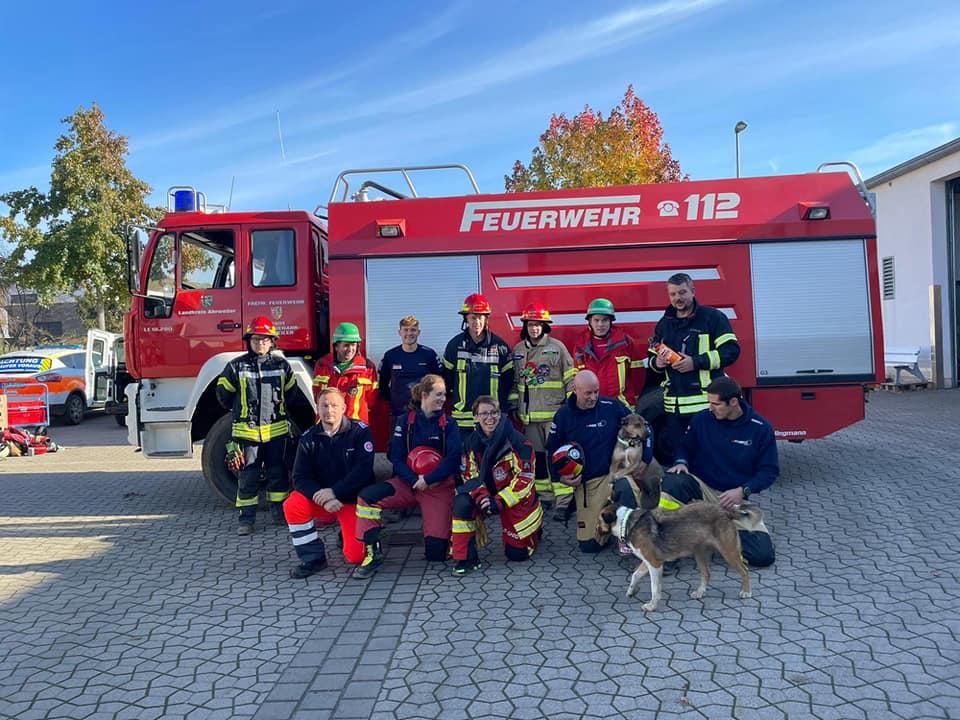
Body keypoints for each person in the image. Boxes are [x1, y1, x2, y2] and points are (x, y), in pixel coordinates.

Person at [353, 374, 461, 578]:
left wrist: (427, 480)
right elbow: (396, 456)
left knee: (436, 554)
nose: (443, 399)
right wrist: (414, 481)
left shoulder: (449, 424)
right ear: (423, 395)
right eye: (438, 394)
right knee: (367, 497)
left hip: (437, 487)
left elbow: (454, 458)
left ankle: (444, 537)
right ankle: (373, 551)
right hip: (409, 483)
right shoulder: (405, 421)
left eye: (444, 395)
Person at [661, 376, 777, 567]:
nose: (710, 408)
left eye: (716, 404)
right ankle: (664, 550)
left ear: (733, 402)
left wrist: (743, 490)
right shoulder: (702, 419)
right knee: (674, 481)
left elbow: (769, 471)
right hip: (702, 490)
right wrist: (681, 461)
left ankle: (710, 535)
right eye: (709, 403)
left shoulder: (760, 429)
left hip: (734, 499)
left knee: (762, 556)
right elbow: (685, 447)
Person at [546, 370, 662, 554]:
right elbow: (551, 450)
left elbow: (645, 426)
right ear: (575, 390)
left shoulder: (611, 406)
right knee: (589, 546)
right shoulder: (563, 416)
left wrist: (645, 459)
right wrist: (561, 478)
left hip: (617, 473)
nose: (593, 397)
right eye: (588, 393)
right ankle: (611, 520)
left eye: (596, 392)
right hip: (590, 483)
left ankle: (639, 543)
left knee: (625, 487)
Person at [216, 316, 298, 536]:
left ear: (272, 342)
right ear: (249, 341)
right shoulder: (235, 367)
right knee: (248, 477)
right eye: (256, 339)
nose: (260, 343)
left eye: (264, 339)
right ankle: (246, 519)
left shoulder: (282, 365)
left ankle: (279, 514)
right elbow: (223, 396)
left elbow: (291, 394)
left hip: (276, 432)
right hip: (247, 434)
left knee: (278, 474)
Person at [283, 388, 375, 578]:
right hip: (323, 500)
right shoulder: (308, 438)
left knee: (356, 557)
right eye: (324, 405)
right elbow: (300, 477)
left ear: (344, 408)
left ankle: (351, 534)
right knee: (293, 504)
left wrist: (335, 492)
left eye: (334, 405)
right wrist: (324, 498)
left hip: (350, 500)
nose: (329, 410)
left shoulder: (360, 432)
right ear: (317, 408)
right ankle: (313, 558)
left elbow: (363, 472)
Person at [649, 273, 740, 463]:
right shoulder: (664, 324)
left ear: (693, 291)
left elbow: (731, 351)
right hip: (674, 408)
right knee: (680, 459)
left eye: (682, 292)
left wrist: (695, 362)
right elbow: (652, 357)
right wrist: (656, 363)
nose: (678, 298)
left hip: (706, 406)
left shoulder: (712, 318)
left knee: (710, 457)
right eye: (673, 294)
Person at [451, 396, 543, 576]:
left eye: (494, 412)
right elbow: (469, 475)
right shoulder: (470, 442)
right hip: (487, 493)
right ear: (476, 417)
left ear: (500, 415)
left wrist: (498, 501)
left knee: (517, 555)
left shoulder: (519, 442)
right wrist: (483, 496)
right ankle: (466, 558)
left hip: (513, 498)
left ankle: (535, 531)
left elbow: (525, 479)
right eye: (484, 413)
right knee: (461, 503)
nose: (489, 418)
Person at [509, 302, 576, 521]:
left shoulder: (557, 347)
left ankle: (564, 502)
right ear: (525, 326)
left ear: (545, 326)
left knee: (558, 459)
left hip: (554, 416)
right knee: (536, 460)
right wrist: (513, 406)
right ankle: (545, 497)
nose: (535, 328)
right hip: (529, 418)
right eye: (531, 324)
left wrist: (570, 406)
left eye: (539, 324)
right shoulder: (518, 350)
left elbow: (570, 377)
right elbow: (513, 383)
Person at [442, 293, 514, 437]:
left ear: (486, 319)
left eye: (480, 317)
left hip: (491, 420)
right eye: (473, 317)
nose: (477, 322)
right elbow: (446, 380)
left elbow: (508, 382)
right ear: (466, 319)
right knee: (464, 459)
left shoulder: (500, 347)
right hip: (463, 421)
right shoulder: (454, 346)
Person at [573, 298, 645, 409]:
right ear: (590, 322)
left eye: (605, 320)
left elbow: (638, 376)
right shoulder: (580, 346)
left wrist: (631, 399)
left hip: (620, 406)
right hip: (592, 407)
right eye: (596, 320)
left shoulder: (625, 343)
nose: (600, 324)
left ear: (611, 321)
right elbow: (577, 378)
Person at [313, 322, 378, 425]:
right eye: (346, 345)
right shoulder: (322, 366)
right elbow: (317, 396)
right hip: (328, 426)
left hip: (356, 428)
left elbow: (371, 401)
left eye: (353, 345)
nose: (350, 349)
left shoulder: (367, 368)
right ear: (336, 346)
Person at [378, 315, 442, 419]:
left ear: (418, 332)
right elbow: (383, 384)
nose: (409, 333)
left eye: (413, 330)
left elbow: (439, 382)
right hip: (398, 413)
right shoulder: (390, 355)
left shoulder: (429, 354)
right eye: (405, 330)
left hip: (425, 413)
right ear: (399, 332)